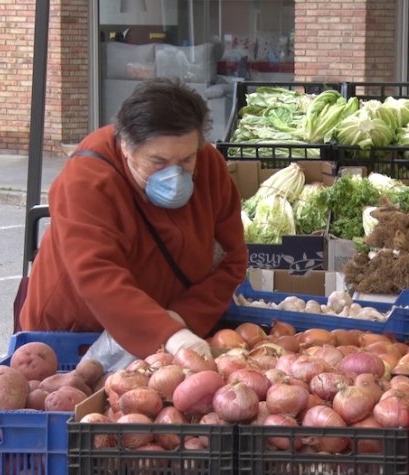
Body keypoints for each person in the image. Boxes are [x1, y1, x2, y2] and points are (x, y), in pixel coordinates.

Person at [19, 78, 248, 360]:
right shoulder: (87, 178)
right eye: (158, 162)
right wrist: (168, 334)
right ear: (126, 147)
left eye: (187, 160)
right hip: (74, 336)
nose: (174, 174)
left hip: (170, 330)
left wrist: (181, 317)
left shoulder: (209, 165)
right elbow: (97, 273)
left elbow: (231, 258)